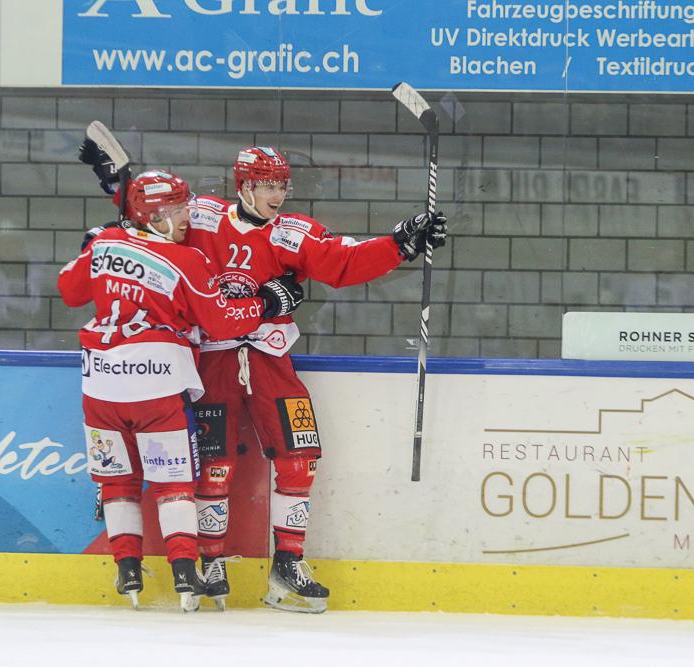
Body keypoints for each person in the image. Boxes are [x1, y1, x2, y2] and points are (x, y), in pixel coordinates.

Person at [83, 143, 447, 614]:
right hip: (212, 361)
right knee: (214, 466)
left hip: (271, 359)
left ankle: (288, 565)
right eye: (265, 185)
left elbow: (343, 260)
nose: (276, 195)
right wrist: (118, 193)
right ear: (243, 185)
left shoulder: (293, 233)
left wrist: (399, 244)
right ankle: (212, 563)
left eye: (281, 185)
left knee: (301, 456)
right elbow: (153, 218)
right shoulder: (202, 216)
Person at [57, 169, 304, 611]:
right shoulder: (186, 260)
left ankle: (127, 568)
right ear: (154, 216)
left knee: (117, 480)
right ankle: (186, 572)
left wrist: (94, 244)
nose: (188, 216)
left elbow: (70, 291)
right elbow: (222, 321)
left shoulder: (104, 242)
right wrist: (269, 302)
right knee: (174, 484)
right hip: (156, 389)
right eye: (177, 209)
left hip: (100, 389)